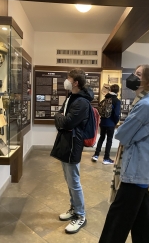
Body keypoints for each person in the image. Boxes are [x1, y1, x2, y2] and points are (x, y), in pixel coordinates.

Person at [98, 64, 149, 243]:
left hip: (136, 172)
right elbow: (128, 134)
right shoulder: (147, 103)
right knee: (141, 222)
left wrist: (125, 130)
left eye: (138, 74)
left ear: (148, 81)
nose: (133, 77)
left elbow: (122, 134)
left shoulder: (145, 106)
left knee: (116, 222)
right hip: (140, 171)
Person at [50, 68, 94, 234]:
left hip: (73, 144)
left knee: (74, 181)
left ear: (76, 82)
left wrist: (59, 118)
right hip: (65, 142)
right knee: (69, 180)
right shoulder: (72, 97)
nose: (66, 80)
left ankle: (80, 215)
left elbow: (66, 122)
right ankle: (74, 208)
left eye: (68, 78)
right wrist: (60, 118)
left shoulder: (82, 102)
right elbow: (62, 117)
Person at [92, 84, 121, 164]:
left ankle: (96, 155)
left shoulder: (105, 98)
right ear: (118, 91)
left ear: (110, 90)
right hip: (111, 123)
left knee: (101, 138)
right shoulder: (117, 101)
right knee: (109, 140)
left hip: (103, 122)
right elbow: (116, 114)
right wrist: (115, 122)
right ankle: (106, 158)